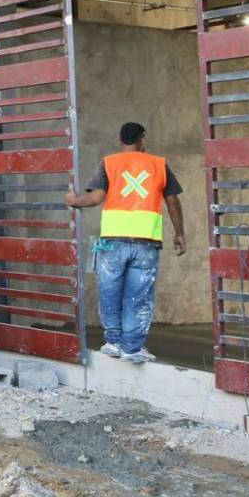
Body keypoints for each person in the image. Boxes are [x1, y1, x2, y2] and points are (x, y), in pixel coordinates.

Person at [65, 122, 186, 364]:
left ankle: (113, 342)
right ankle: (133, 348)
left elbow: (96, 197)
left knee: (110, 291)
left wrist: (73, 200)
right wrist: (179, 233)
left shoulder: (109, 163)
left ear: (120, 141)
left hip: (112, 241)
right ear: (143, 140)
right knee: (138, 296)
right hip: (146, 243)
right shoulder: (158, 164)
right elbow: (172, 201)